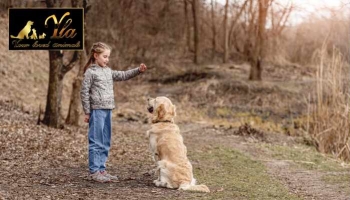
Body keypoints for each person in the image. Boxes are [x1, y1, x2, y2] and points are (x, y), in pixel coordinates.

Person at [80, 42, 147, 183]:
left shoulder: (108, 71)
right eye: (104, 56)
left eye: (108, 57)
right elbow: (84, 92)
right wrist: (87, 111)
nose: (107, 59)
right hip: (96, 111)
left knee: (105, 141)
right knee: (96, 141)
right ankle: (94, 171)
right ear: (95, 56)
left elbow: (123, 75)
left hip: (108, 110)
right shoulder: (90, 72)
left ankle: (102, 170)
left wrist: (138, 70)